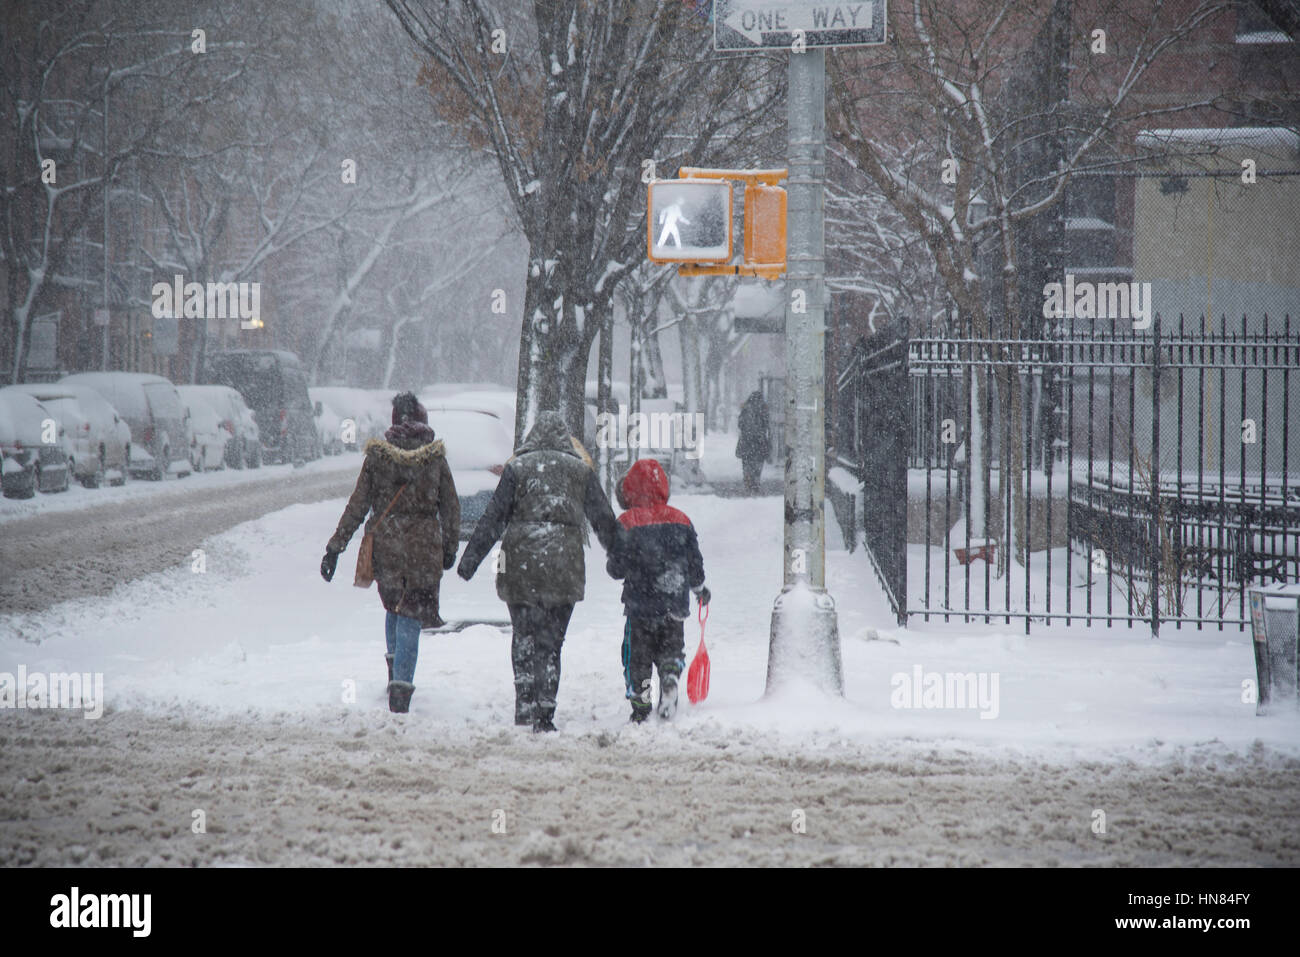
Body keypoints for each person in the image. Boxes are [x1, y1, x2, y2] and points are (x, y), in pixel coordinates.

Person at [457, 410, 618, 732]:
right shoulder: (579, 470)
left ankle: (524, 702)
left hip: (522, 561)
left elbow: (494, 518)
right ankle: (546, 711)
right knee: (552, 642)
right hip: (564, 562)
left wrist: (469, 560)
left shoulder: (518, 468)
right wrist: (622, 557)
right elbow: (603, 519)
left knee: (524, 635)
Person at [320, 392, 460, 713]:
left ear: (395, 419)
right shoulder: (435, 458)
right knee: (411, 611)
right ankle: (401, 688)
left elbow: (357, 506)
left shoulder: (378, 458)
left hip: (388, 545)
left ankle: (394, 674)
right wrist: (450, 548)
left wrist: (334, 548)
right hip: (424, 548)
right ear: (423, 419)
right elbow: (451, 507)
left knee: (395, 606)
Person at [607, 458, 709, 723]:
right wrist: (699, 588)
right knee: (670, 648)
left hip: (640, 604)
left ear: (629, 490)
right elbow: (694, 562)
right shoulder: (681, 520)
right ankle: (670, 675)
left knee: (637, 657)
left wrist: (627, 561)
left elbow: (615, 568)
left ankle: (641, 705)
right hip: (674, 601)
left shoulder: (627, 522)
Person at [735, 388, 771, 494]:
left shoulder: (745, 408)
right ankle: (756, 482)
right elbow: (767, 425)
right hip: (759, 441)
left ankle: (747, 481)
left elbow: (740, 424)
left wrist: (747, 431)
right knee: (758, 462)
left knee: (746, 463)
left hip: (746, 441)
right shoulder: (763, 408)